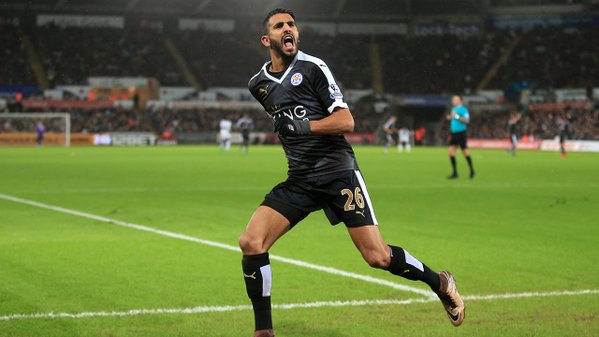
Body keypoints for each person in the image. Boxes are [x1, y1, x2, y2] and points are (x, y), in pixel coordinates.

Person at [240, 8, 465, 337]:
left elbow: (346, 121)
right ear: (266, 39)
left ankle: (441, 283)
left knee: (377, 256)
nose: (288, 29)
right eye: (279, 26)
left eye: (291, 24)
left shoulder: (314, 68)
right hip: (300, 179)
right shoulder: (257, 85)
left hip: (337, 173)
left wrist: (305, 125)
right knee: (251, 241)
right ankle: (264, 332)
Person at [447, 95, 475, 179]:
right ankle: (455, 172)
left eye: (456, 99)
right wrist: (450, 117)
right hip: (454, 133)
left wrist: (456, 116)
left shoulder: (463, 109)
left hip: (461, 133)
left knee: (464, 152)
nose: (454, 101)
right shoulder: (453, 109)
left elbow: (467, 121)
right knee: (451, 152)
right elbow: (454, 118)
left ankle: (472, 170)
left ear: (460, 101)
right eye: (453, 99)